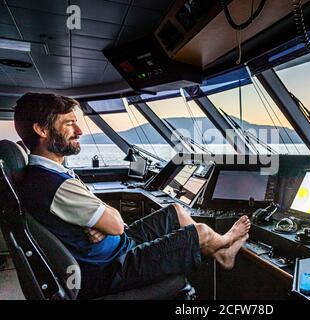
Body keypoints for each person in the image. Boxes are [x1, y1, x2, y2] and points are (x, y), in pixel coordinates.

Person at [13, 93, 250, 299]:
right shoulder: (54, 184)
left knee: (176, 212)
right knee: (202, 232)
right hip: (111, 269)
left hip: (114, 248)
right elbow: (116, 224)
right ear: (41, 129)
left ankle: (221, 253)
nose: (79, 130)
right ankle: (223, 246)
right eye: (69, 124)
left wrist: (103, 223)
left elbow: (110, 223)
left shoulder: (44, 175)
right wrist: (108, 222)